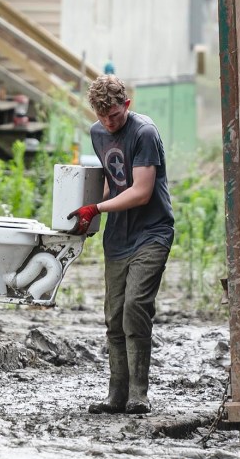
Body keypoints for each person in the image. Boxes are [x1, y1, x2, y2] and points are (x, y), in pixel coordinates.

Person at [67, 75, 175, 415]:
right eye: (102, 117)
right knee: (114, 316)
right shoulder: (97, 132)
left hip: (152, 232)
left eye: (114, 115)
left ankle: (138, 394)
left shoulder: (144, 133)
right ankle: (117, 395)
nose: (109, 123)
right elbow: (113, 183)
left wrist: (96, 208)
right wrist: (83, 211)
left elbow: (141, 191)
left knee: (135, 308)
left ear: (126, 105)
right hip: (118, 237)